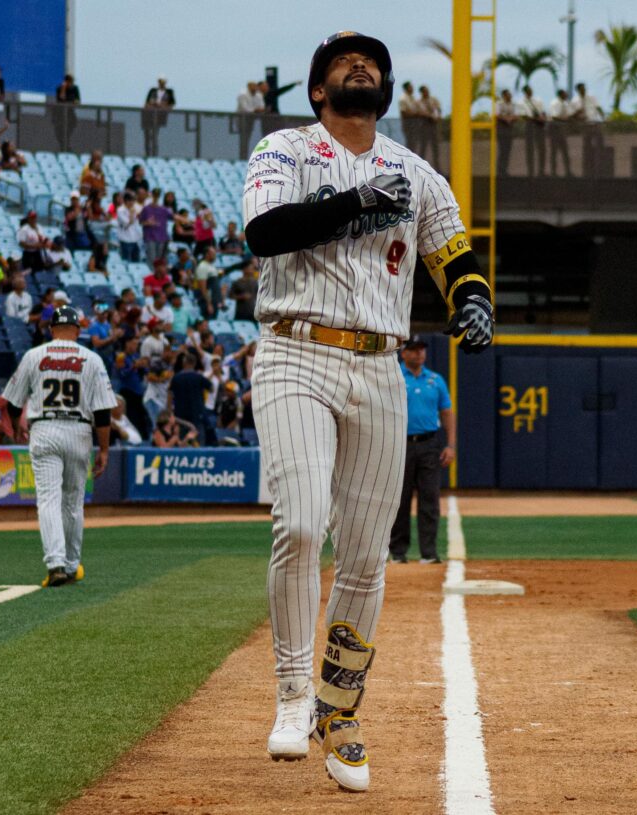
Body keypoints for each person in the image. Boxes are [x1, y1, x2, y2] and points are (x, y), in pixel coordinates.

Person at [241, 31, 494, 792]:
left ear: (383, 88)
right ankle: (291, 694)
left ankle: (339, 707)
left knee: (365, 552)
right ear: (319, 90)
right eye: (343, 63)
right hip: (295, 347)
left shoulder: (417, 174)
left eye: (372, 62)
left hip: (379, 361)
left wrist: (474, 300)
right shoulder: (283, 151)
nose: (361, 67)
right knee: (303, 522)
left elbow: (454, 255)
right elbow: (263, 232)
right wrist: (352, 202)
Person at [2, 305, 117, 587]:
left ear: (51, 329)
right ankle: (72, 564)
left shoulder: (34, 355)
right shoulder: (92, 359)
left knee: (49, 500)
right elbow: (103, 414)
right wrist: (104, 450)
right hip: (79, 429)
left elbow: (12, 403)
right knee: (73, 503)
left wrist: (17, 425)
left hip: (44, 428)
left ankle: (55, 564)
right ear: (78, 330)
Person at [388, 337, 455, 563]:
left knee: (430, 498)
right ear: (403, 353)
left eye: (422, 350)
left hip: (429, 444)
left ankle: (429, 553)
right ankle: (398, 552)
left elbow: (446, 412)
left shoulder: (435, 380)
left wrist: (451, 444)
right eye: (414, 350)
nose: (419, 354)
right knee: (400, 499)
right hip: (400, 444)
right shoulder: (393, 376)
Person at [141, 77, 175, 156]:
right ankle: (147, 153)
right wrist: (153, 104)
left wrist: (162, 105)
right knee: (147, 136)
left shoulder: (169, 92)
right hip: (149, 117)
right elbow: (147, 103)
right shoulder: (153, 91)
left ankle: (155, 153)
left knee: (155, 136)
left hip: (159, 118)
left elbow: (171, 105)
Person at [521, 86, 548, 177]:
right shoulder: (522, 102)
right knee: (530, 150)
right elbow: (524, 116)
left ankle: (541, 171)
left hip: (539, 127)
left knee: (542, 150)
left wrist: (542, 118)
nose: (530, 92)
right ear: (525, 92)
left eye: (531, 90)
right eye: (528, 91)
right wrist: (536, 119)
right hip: (530, 127)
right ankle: (530, 172)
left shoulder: (537, 100)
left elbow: (543, 111)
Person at [548, 89, 573, 176]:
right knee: (554, 151)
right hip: (554, 130)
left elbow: (568, 114)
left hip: (561, 131)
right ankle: (553, 172)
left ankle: (568, 171)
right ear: (561, 94)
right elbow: (554, 116)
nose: (566, 95)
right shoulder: (555, 103)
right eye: (565, 94)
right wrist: (564, 120)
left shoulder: (565, 104)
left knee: (565, 151)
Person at [54, 74, 81, 152]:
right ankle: (63, 146)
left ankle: (67, 145)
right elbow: (61, 99)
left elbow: (77, 100)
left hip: (70, 113)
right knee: (60, 132)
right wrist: (63, 88)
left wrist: (74, 102)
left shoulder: (75, 88)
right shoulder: (59, 88)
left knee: (69, 129)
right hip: (61, 114)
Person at [494, 88, 518, 177]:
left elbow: (516, 115)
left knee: (507, 151)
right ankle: (500, 170)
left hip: (509, 129)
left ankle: (505, 170)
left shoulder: (513, 104)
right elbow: (496, 115)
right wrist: (506, 119)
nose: (510, 96)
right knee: (502, 150)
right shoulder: (499, 104)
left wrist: (511, 119)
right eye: (508, 94)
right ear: (504, 96)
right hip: (502, 129)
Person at [397, 81, 421, 153]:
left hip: (414, 123)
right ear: (407, 88)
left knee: (414, 142)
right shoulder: (403, 98)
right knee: (410, 142)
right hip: (408, 123)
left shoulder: (412, 98)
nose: (412, 88)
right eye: (411, 87)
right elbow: (403, 112)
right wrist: (415, 114)